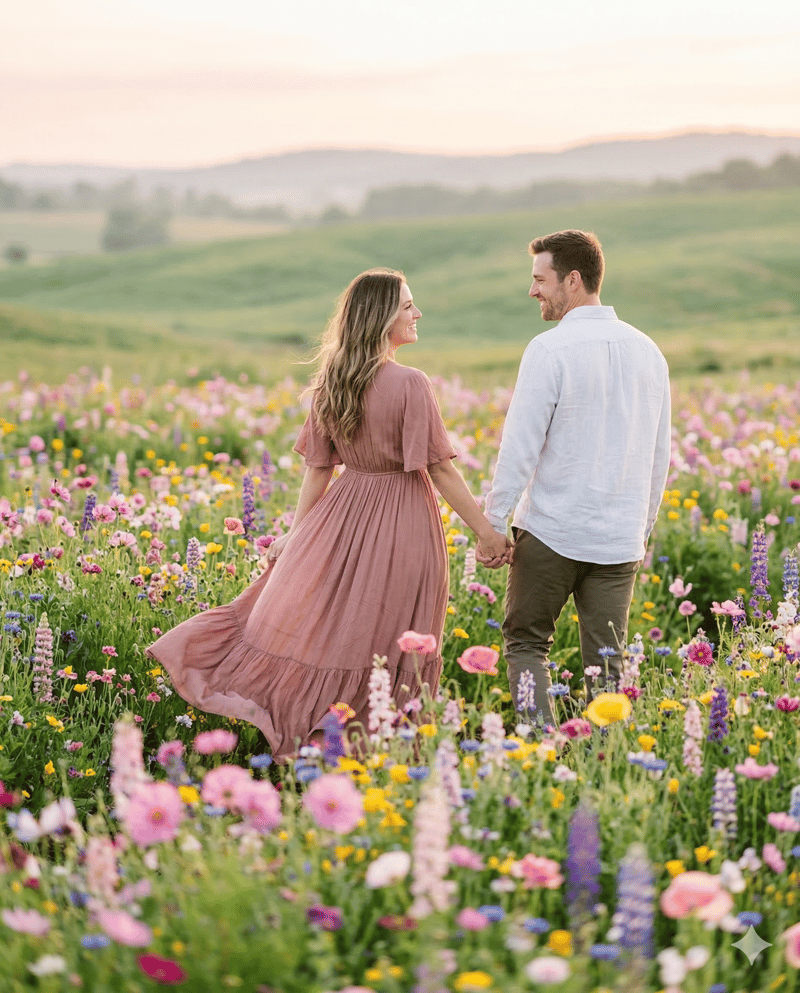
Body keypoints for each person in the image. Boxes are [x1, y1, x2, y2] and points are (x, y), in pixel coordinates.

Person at [147, 268, 510, 757]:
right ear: (382, 318)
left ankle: (319, 740)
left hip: (339, 519)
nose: (417, 313)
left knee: (340, 635)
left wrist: (297, 537)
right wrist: (486, 534)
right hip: (402, 523)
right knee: (392, 640)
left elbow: (317, 472)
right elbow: (441, 470)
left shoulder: (332, 382)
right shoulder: (410, 383)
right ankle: (381, 751)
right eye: (407, 306)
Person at [481, 230, 671, 721]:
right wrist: (640, 529)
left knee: (526, 643)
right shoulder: (649, 351)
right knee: (608, 665)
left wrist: (493, 522)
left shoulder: (549, 349)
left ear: (572, 279)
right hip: (618, 539)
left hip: (551, 531)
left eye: (539, 279)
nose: (532, 291)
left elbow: (520, 447)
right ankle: (604, 766)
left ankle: (539, 753)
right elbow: (658, 457)